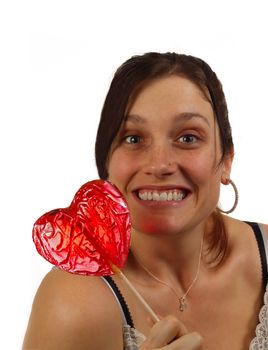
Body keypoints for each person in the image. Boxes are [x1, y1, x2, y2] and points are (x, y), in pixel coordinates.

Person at [23, 52, 268, 350]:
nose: (159, 164)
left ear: (226, 160)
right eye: (133, 138)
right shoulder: (73, 306)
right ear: (107, 164)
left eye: (188, 138)